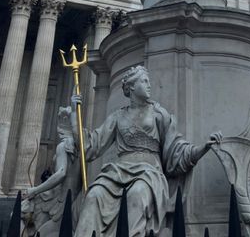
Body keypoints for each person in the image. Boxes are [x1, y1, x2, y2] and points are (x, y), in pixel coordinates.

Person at [72, 66, 221, 237]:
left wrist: (203, 148)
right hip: (117, 174)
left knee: (137, 194)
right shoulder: (117, 117)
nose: (149, 85)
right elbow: (91, 146)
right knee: (94, 195)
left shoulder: (158, 113)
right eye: (144, 81)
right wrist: (74, 118)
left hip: (149, 174)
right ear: (132, 87)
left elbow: (177, 150)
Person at [21, 107, 82, 237]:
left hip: (59, 200)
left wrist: (35, 190)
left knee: (24, 209)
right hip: (72, 198)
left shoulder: (63, 147)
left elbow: (61, 173)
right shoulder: (79, 149)